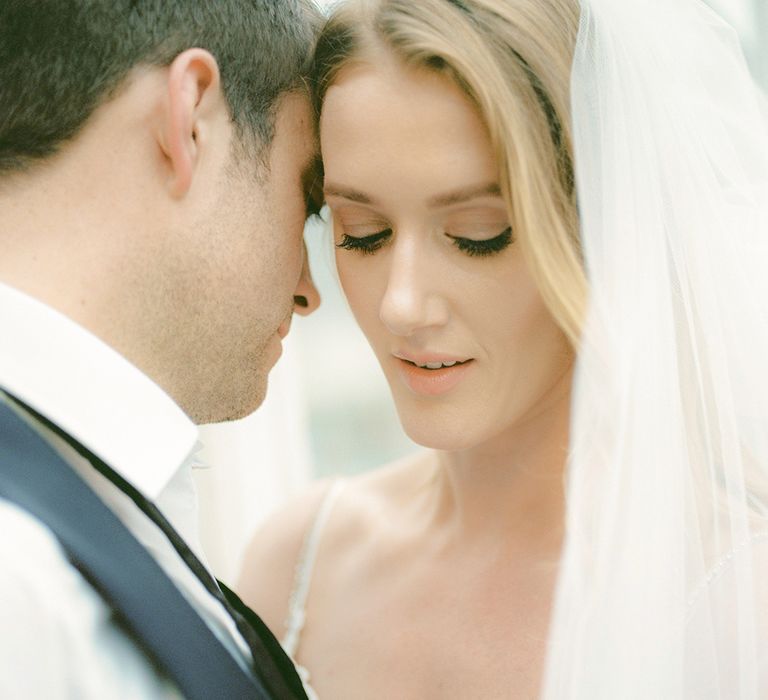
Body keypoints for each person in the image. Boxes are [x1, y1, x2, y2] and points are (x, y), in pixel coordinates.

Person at [238, 0, 768, 698]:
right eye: (362, 231)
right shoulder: (297, 563)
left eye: (478, 234)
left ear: (603, 228)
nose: (401, 303)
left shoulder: (737, 605)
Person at [0, 2, 323, 698]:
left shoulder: (80, 492)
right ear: (192, 120)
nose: (308, 289)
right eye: (307, 193)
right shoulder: (17, 580)